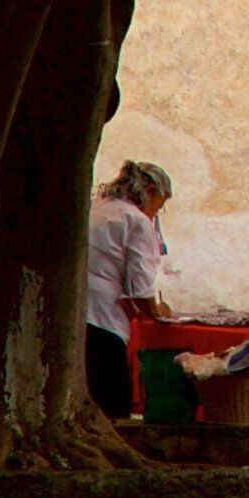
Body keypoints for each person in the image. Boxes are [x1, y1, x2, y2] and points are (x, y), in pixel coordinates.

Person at [84, 160, 173, 419]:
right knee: (112, 401)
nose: (156, 214)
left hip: (76, 311)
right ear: (150, 191)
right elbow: (140, 289)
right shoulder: (136, 219)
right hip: (104, 318)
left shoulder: (96, 207)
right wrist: (157, 311)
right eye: (160, 205)